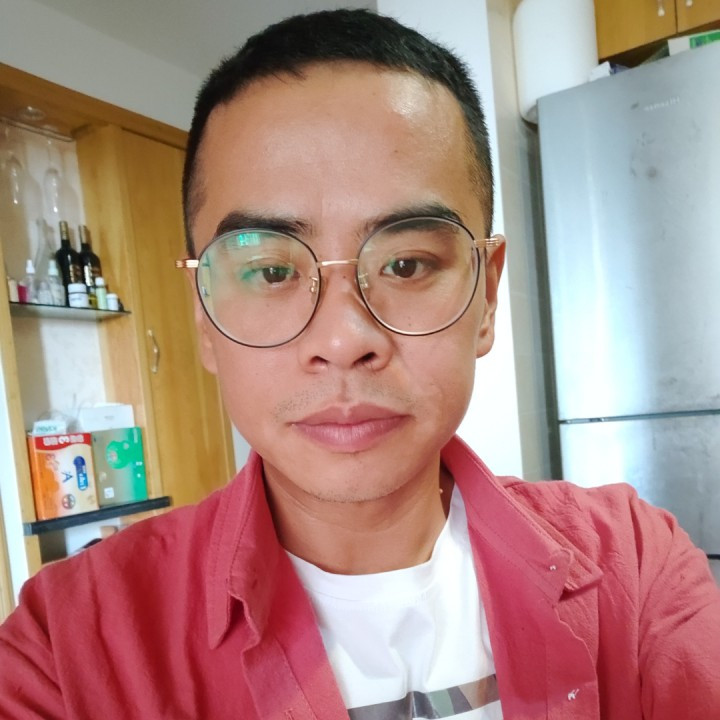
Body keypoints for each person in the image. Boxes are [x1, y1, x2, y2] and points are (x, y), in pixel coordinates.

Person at [1, 9, 719, 719]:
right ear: (204, 316)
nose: (344, 339)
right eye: (272, 272)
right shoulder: (65, 650)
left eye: (406, 263)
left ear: (486, 295)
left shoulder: (635, 567)